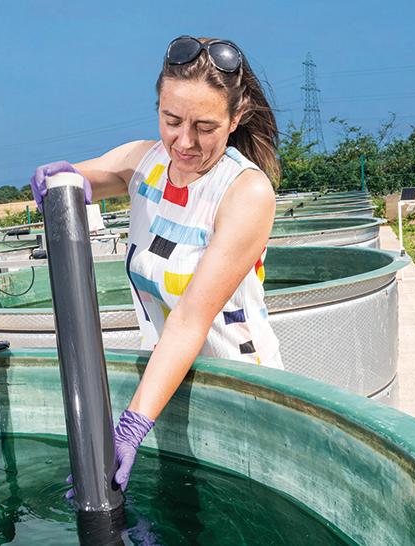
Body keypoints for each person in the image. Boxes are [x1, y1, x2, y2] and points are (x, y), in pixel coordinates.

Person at [31, 35, 282, 493]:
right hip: (164, 386)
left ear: (236, 119)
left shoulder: (244, 192)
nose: (183, 142)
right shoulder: (142, 164)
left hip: (240, 388)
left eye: (205, 127)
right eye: (172, 120)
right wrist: (55, 177)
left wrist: (129, 427)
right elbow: (70, 179)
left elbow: (189, 319)